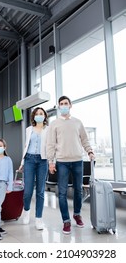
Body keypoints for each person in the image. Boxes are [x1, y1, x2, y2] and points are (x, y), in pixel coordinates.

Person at [46, 96, 95, 234]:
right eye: (61, 104)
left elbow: (84, 139)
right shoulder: (54, 124)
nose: (63, 106)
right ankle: (66, 221)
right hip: (62, 162)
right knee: (62, 193)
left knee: (78, 190)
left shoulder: (78, 122)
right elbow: (50, 144)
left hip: (78, 160)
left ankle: (77, 214)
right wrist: (51, 161)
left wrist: (89, 151)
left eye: (66, 103)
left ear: (70, 105)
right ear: (59, 106)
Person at [18, 107, 49, 230]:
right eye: (37, 114)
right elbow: (26, 146)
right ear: (34, 116)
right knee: (28, 191)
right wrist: (22, 162)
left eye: (41, 114)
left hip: (43, 161)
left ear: (45, 116)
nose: (39, 115)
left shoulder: (48, 130)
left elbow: (50, 146)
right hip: (29, 160)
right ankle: (26, 211)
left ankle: (38, 219)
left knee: (40, 191)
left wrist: (52, 161)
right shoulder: (28, 129)